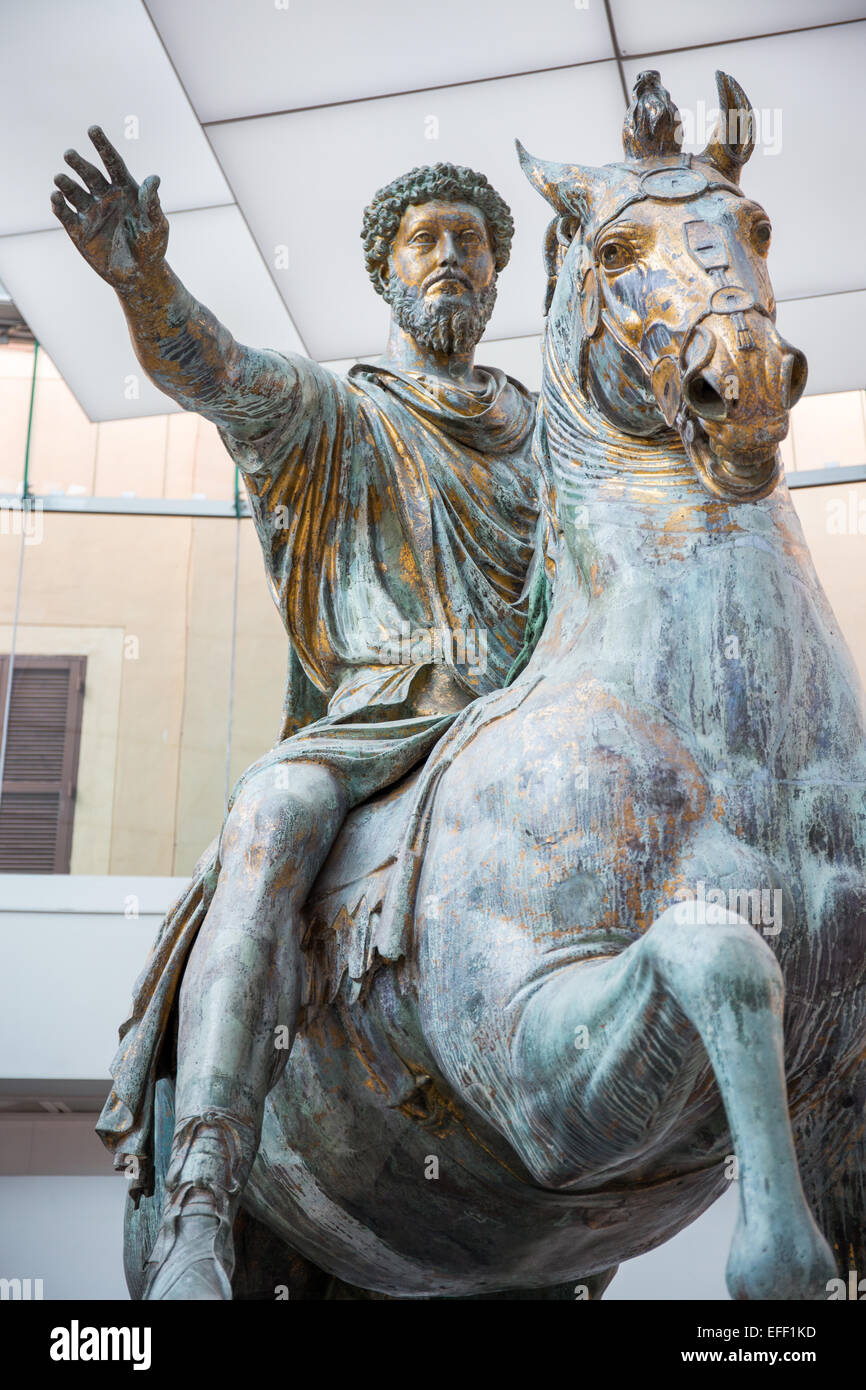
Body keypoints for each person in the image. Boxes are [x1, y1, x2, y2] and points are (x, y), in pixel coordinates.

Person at [52, 127, 545, 1298]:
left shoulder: (554, 443)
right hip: (384, 720)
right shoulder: (332, 415)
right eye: (425, 240)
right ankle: (206, 1188)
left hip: (532, 724)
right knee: (268, 818)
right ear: (384, 275)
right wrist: (142, 279)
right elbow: (209, 369)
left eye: (472, 243)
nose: (451, 259)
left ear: (497, 275)